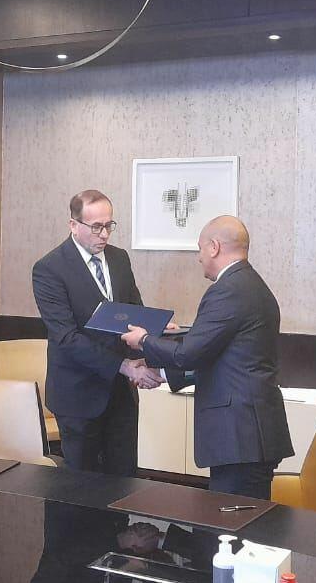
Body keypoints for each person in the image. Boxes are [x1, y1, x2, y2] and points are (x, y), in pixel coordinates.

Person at [122, 216, 291, 499]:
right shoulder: (249, 284)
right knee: (240, 518)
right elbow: (217, 357)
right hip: (249, 434)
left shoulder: (228, 290)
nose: (199, 257)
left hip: (239, 436)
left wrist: (144, 340)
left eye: (200, 249)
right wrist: (159, 372)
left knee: (234, 522)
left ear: (214, 247)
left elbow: (190, 354)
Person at [32, 189, 161, 474]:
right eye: (96, 227)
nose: (104, 235)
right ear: (73, 225)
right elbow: (67, 337)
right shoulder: (49, 269)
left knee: (124, 480)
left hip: (121, 395)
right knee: (82, 488)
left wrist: (153, 332)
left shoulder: (119, 259)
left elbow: (132, 311)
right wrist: (124, 366)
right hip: (78, 395)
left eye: (109, 225)